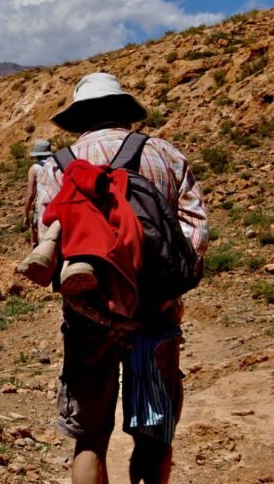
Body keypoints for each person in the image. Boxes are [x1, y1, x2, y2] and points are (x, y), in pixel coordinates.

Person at [34, 72, 208, 484]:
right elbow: (195, 234)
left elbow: (48, 249)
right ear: (125, 112)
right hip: (155, 314)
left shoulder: (56, 166)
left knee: (90, 438)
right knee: (154, 437)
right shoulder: (164, 155)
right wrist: (168, 294)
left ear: (80, 116)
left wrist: (91, 307)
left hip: (88, 317)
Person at [22, 139, 53, 248]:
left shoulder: (35, 168)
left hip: (43, 207)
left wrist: (25, 214)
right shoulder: (58, 164)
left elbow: (30, 194)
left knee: (36, 240)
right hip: (60, 205)